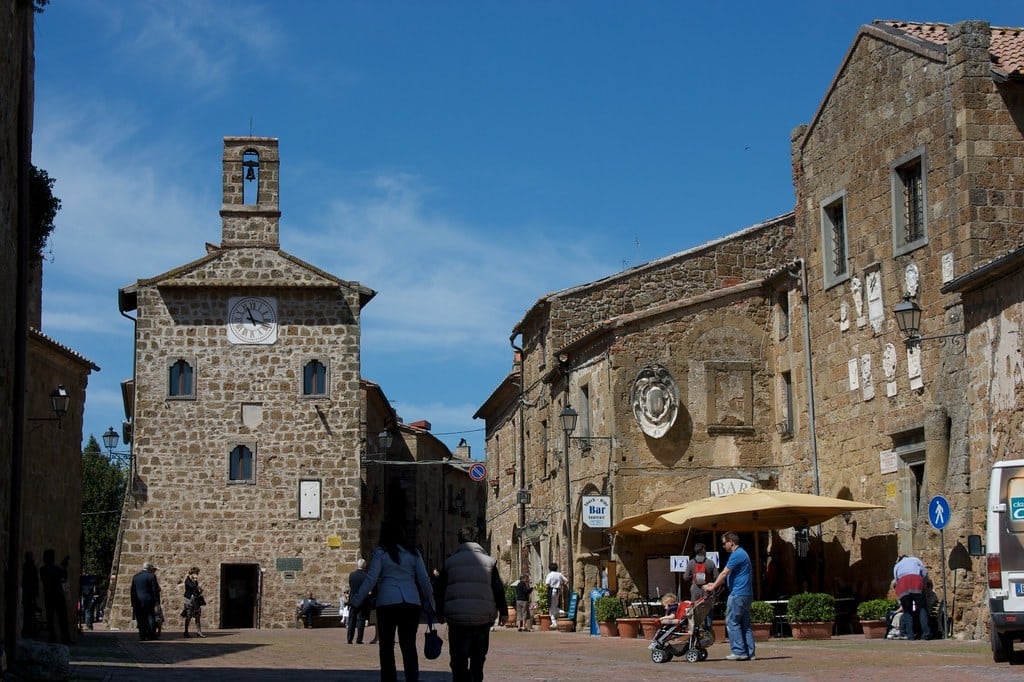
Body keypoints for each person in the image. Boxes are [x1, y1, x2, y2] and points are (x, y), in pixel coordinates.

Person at [351, 520, 436, 682]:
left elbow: (371, 579)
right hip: (411, 602)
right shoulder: (414, 553)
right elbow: (424, 579)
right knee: (409, 645)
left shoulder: (380, 553)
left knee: (386, 647)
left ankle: (389, 679)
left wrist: (357, 599)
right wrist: (431, 601)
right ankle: (412, 678)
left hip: (387, 602)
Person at [434, 525, 507, 682]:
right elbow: (498, 589)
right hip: (482, 618)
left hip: (457, 618)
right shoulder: (490, 562)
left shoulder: (450, 562)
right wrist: (504, 612)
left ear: (460, 540)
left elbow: (439, 589)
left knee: (458, 660)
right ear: (478, 539)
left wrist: (439, 612)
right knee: (478, 659)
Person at [704, 531, 754, 661]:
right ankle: (749, 652)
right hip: (746, 594)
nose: (723, 546)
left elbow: (725, 573)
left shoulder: (736, 555)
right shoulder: (743, 553)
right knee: (744, 624)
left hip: (738, 593)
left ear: (731, 542)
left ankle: (738, 651)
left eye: (724, 543)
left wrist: (712, 586)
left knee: (732, 622)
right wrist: (715, 583)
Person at [893, 555, 930, 640]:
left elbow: (896, 580)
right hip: (916, 581)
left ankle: (910, 635)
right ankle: (926, 634)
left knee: (907, 611)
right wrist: (924, 585)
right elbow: (924, 573)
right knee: (922, 608)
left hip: (902, 584)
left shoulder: (897, 565)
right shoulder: (915, 560)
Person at [39, 548, 71, 644]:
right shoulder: (56, 569)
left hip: (48, 595)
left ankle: (52, 637)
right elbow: (64, 577)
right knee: (62, 617)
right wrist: (64, 566)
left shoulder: (42, 570)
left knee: (51, 617)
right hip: (57, 595)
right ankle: (64, 637)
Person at [684, 542, 718, 628]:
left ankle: (696, 629)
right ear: (703, 550)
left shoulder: (691, 563)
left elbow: (685, 577)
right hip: (707, 589)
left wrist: (693, 575)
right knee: (708, 609)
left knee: (695, 609)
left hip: (695, 589)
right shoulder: (710, 563)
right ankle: (708, 629)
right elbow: (717, 577)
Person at [130, 561, 161, 641]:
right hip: (149, 600)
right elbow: (155, 590)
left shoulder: (136, 577)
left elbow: (132, 591)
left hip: (138, 601)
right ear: (149, 568)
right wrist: (157, 602)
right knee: (150, 617)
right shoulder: (152, 576)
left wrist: (133, 602)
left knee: (140, 618)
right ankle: (151, 635)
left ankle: (142, 635)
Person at [347, 558, 372, 644]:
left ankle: (349, 639)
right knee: (361, 619)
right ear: (365, 566)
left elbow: (351, 586)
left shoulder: (352, 575)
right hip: (362, 599)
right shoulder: (367, 576)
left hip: (353, 599)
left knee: (352, 619)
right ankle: (359, 639)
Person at [182, 566, 206, 638]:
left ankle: (199, 632)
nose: (197, 575)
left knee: (197, 616)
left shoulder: (195, 581)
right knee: (188, 616)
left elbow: (196, 589)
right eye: (196, 573)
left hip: (196, 600)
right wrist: (195, 581)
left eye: (197, 573)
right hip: (189, 600)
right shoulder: (187, 580)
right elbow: (192, 587)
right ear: (192, 573)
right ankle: (186, 632)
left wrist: (200, 591)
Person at [22, 551, 39, 637]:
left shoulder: (25, 567)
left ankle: (29, 628)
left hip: (27, 593)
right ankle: (30, 629)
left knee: (28, 612)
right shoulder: (31, 568)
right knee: (30, 612)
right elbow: (35, 582)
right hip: (29, 593)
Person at [544, 563, 566, 627]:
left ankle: (554, 622)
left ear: (549, 568)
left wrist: (545, 590)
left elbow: (547, 584)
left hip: (551, 591)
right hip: (558, 591)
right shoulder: (559, 574)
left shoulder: (550, 575)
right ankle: (561, 613)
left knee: (551, 607)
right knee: (555, 605)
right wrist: (561, 584)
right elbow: (566, 581)